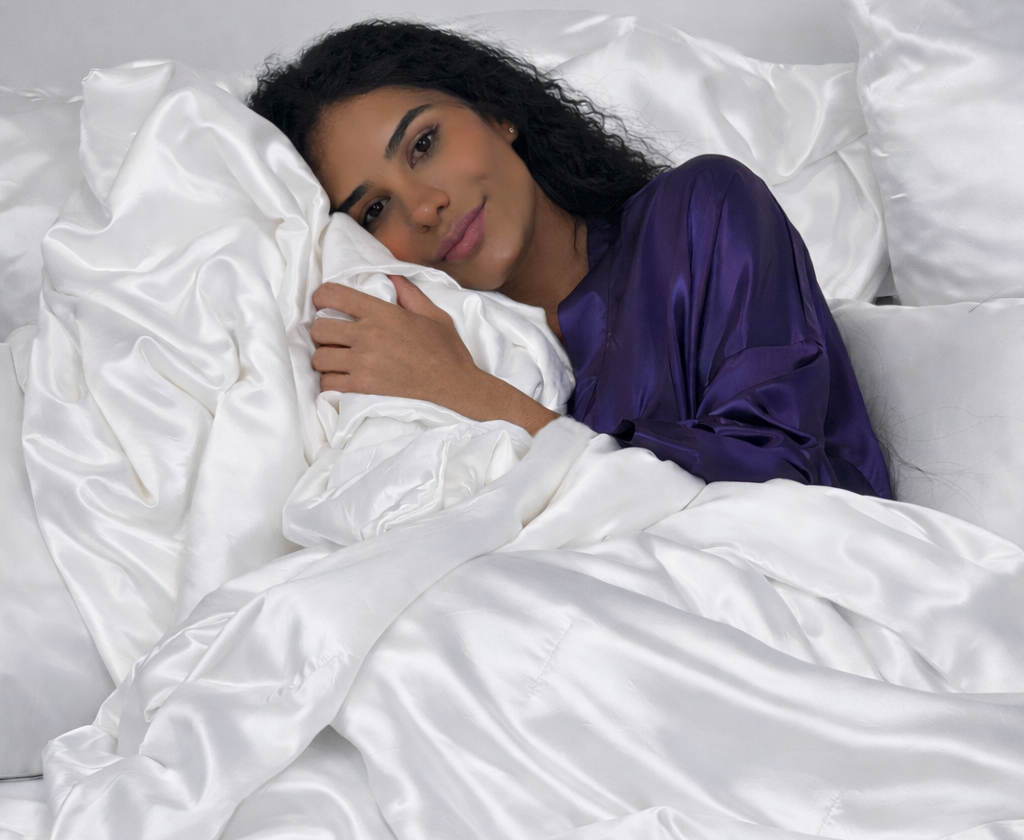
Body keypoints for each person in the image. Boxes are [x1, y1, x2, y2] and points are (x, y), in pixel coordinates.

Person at [249, 21, 892, 498]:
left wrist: (472, 394)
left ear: (497, 113)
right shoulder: (447, 340)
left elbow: (777, 481)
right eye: (373, 211)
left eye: (424, 144)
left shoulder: (700, 212)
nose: (424, 207)